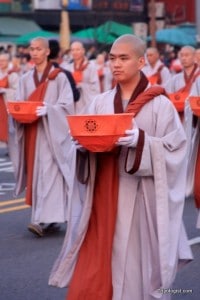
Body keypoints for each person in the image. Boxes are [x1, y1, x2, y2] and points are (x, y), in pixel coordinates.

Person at [49, 34, 192, 300]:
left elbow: (177, 152)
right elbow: (82, 139)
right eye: (113, 58)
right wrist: (80, 148)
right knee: (99, 267)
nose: (116, 64)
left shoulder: (161, 105)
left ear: (140, 62)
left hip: (141, 198)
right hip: (104, 196)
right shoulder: (100, 102)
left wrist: (143, 142)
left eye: (123, 58)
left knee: (138, 267)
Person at [9, 37, 76, 237]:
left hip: (51, 134)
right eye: (32, 49)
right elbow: (19, 104)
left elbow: (67, 105)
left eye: (39, 49)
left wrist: (49, 109)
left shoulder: (59, 77)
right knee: (38, 175)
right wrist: (17, 113)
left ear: (47, 52)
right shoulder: (25, 79)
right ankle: (52, 219)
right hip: (32, 133)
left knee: (49, 174)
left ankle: (40, 219)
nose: (35, 52)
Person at [61, 41, 100, 113]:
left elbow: (95, 87)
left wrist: (82, 85)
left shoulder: (91, 66)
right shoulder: (67, 67)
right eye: (73, 50)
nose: (75, 52)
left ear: (83, 51)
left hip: (87, 102)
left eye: (77, 49)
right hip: (73, 102)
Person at [0, 52, 19, 145]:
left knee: (8, 125)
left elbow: (17, 90)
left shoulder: (13, 74)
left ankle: (10, 145)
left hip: (6, 103)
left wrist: (4, 91)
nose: (1, 62)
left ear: (8, 61)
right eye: (0, 61)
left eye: (3, 60)